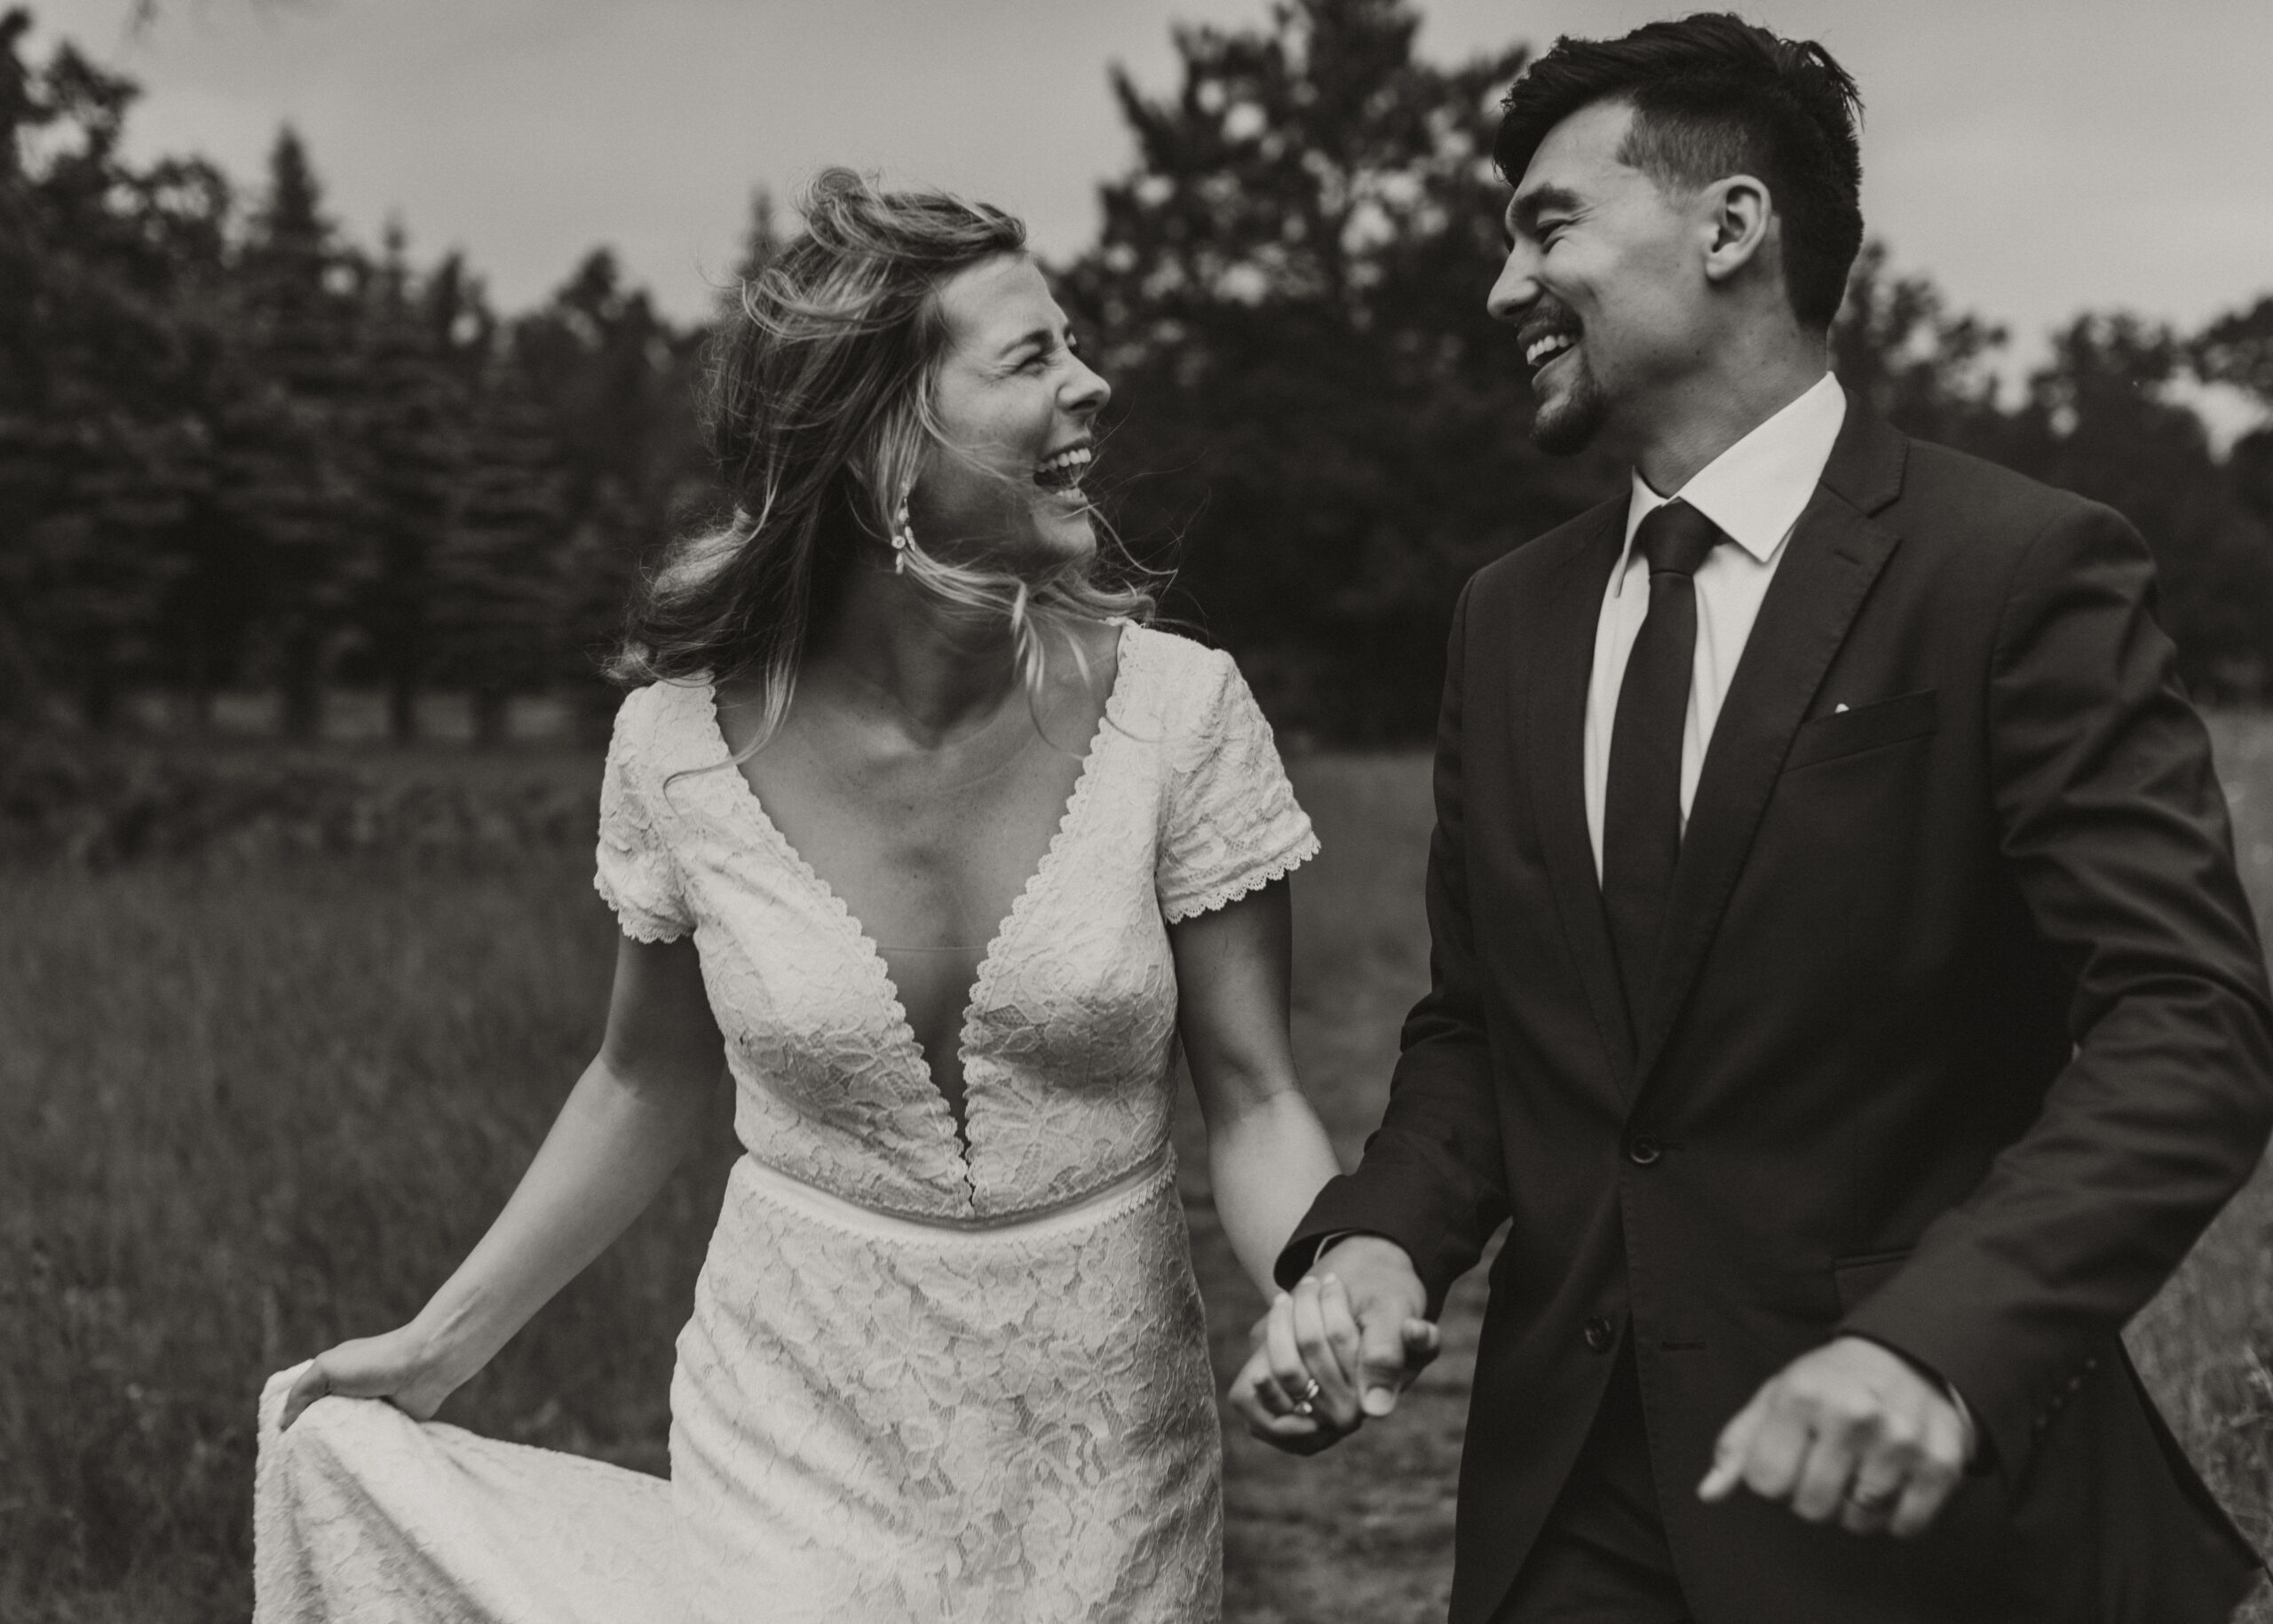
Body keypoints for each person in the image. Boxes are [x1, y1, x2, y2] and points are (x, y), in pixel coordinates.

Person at [1231, 15, 2273, 1624]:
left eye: (1548, 225)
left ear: (1731, 227)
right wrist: (1376, 1245)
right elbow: (1485, 1032)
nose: (1506, 286)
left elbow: (2190, 1022)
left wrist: (1943, 1340)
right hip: (1566, 1508)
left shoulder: (2017, 571)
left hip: (1919, 1514)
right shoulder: (1504, 621)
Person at [256, 168, 1339, 1623]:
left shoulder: (1181, 714)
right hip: (793, 1454)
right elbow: (640, 1079)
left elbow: (1258, 1097)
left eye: (1072, 343)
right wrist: (444, 1341)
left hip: (1105, 1464)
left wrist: (1320, 1291)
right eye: (1033, 357)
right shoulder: (678, 749)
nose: (1092, 385)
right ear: (888, 441)